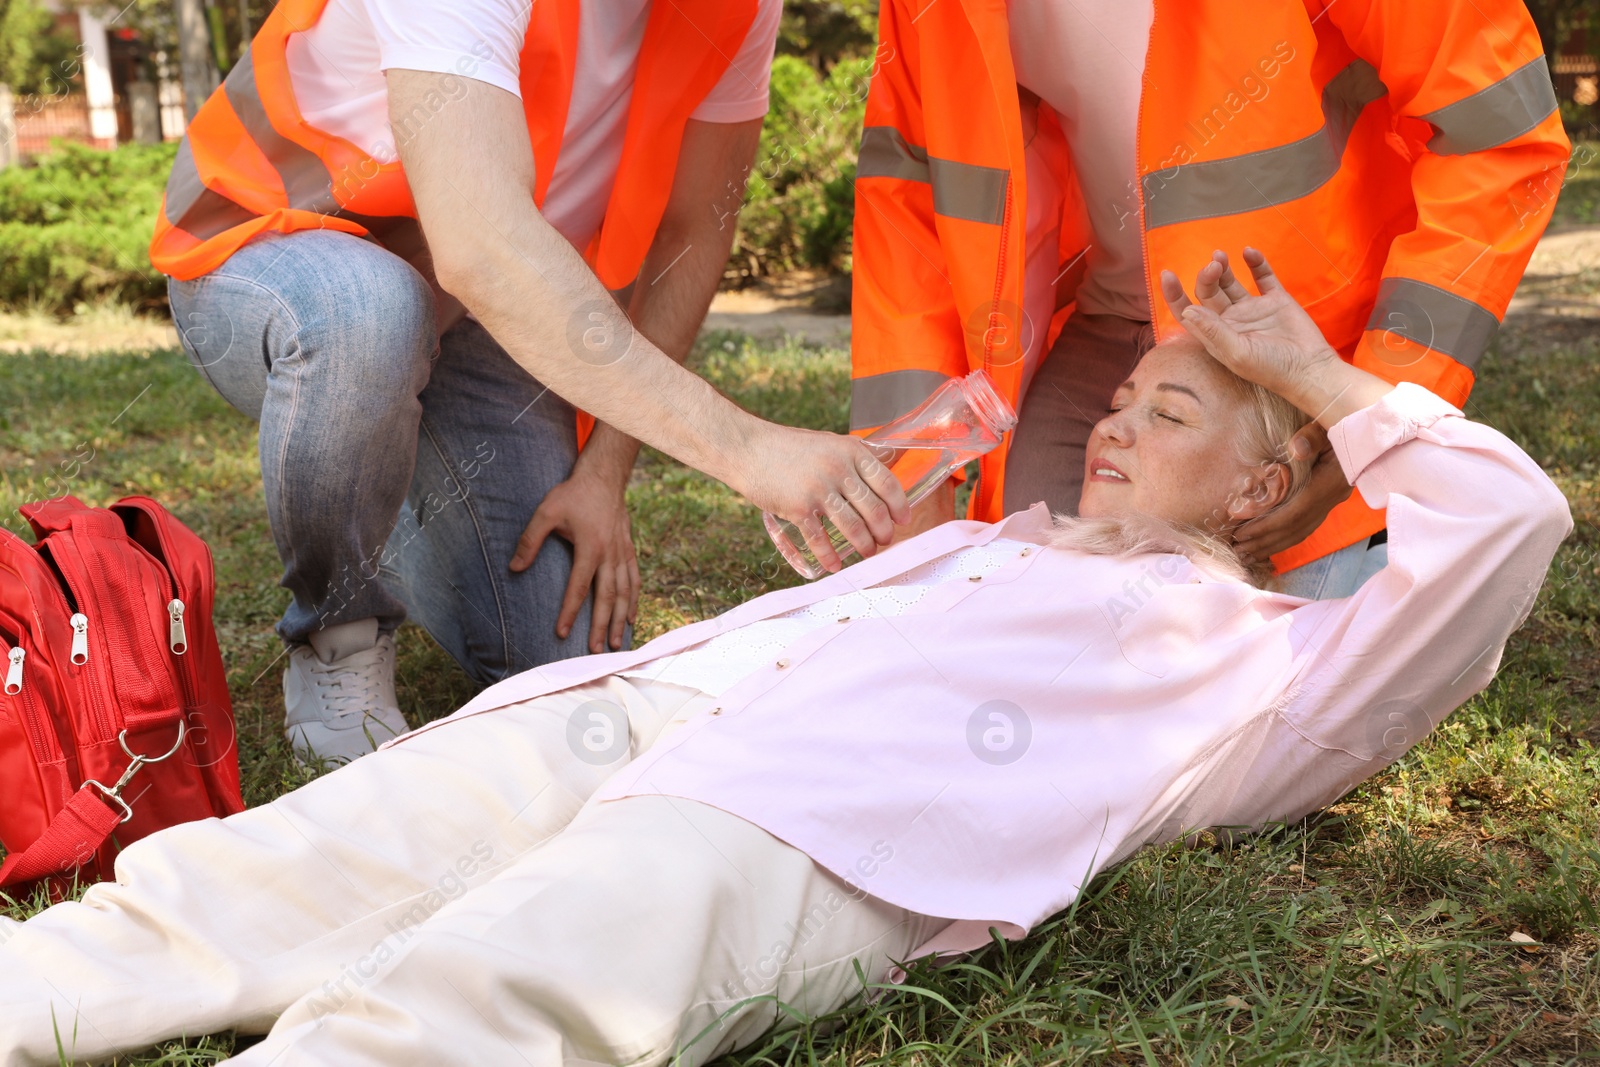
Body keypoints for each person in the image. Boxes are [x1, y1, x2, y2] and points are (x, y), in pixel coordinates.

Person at [0, 256, 1571, 1065]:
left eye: (1170, 413)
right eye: (1125, 394)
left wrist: (1310, 369)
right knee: (285, 860)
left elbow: (1506, 522)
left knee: (498, 989)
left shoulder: (1279, 659)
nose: (1113, 418)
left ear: (1258, 491)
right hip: (633, 716)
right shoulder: (993, 539)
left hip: (808, 826)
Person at [152, 0, 909, 765]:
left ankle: (384, 491)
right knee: (371, 314)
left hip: (465, 307)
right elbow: (482, 247)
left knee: (566, 665)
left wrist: (603, 472)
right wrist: (747, 449)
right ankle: (338, 630)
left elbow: (695, 227)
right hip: (275, 246)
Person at [848, 0, 1571, 600]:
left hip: (1294, 359)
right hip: (1102, 325)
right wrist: (912, 469)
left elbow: (1501, 133)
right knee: (1026, 603)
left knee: (1258, 644)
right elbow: (907, 199)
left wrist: (1368, 413)